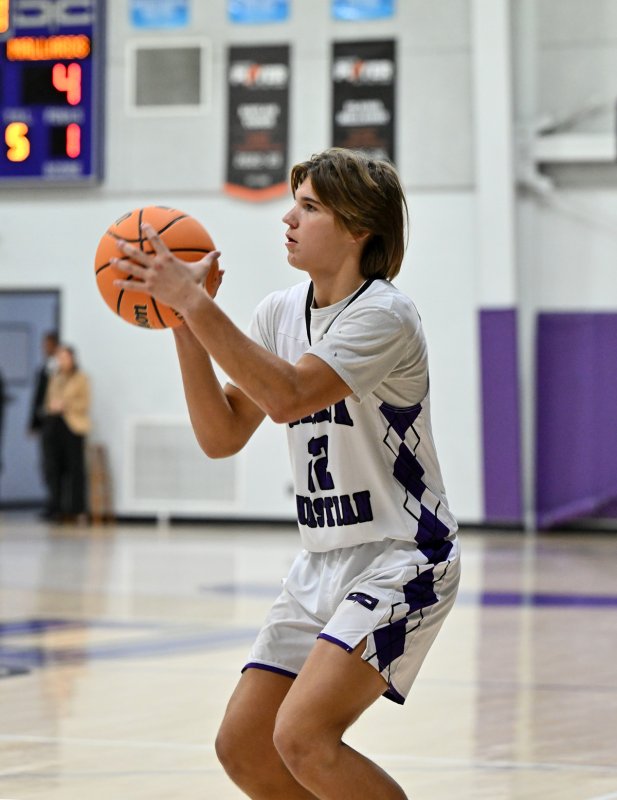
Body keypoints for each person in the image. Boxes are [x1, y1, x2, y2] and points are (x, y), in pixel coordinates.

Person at [114, 147, 460, 800]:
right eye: (292, 204)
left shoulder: (383, 314)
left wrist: (193, 299)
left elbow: (286, 397)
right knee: (243, 747)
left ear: (359, 228)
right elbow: (221, 435)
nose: (288, 219)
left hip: (404, 555)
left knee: (302, 736)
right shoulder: (279, 312)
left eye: (308, 207)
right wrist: (184, 322)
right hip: (320, 562)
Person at [44, 344, 91, 522]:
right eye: (59, 358)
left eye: (64, 357)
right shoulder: (55, 377)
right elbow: (48, 400)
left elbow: (85, 403)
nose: (61, 361)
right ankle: (56, 507)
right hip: (56, 425)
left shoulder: (81, 379)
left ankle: (77, 509)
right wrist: (53, 406)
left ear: (72, 359)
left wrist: (66, 405)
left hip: (73, 426)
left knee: (75, 469)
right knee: (54, 468)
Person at [29, 330, 59, 516]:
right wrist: (33, 423)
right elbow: (38, 399)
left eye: (47, 344)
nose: (44, 348)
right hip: (44, 422)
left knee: (54, 465)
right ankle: (51, 503)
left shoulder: (57, 369)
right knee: (46, 465)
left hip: (57, 424)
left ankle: (57, 505)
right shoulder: (44, 369)